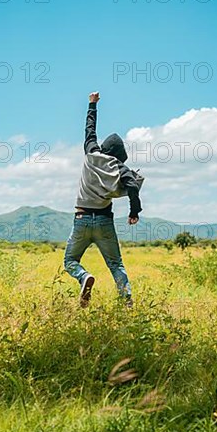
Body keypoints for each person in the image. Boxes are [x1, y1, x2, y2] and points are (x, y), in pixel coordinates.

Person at [64, 92, 144, 308]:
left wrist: (92, 105)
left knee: (70, 262)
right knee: (116, 264)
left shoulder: (91, 154)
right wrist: (134, 211)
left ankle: (84, 277)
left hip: (81, 219)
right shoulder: (120, 168)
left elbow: (90, 131)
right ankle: (127, 303)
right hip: (104, 221)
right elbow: (133, 186)